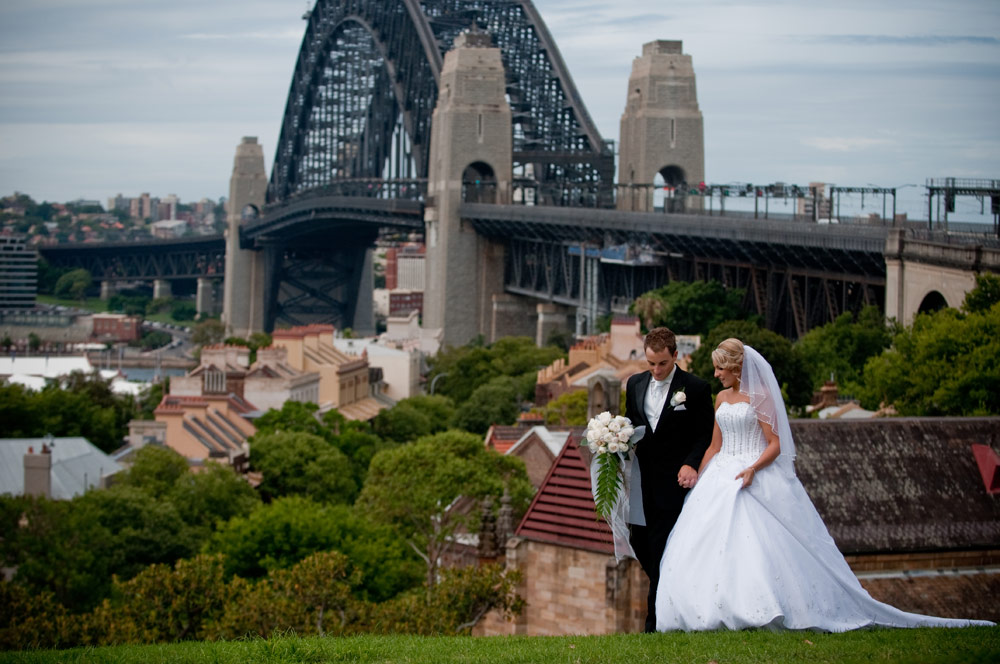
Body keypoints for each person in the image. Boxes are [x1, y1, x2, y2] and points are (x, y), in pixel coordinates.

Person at [655, 338, 994, 631]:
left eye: (720, 369)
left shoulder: (760, 397)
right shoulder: (721, 399)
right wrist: (698, 475)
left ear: (735, 367)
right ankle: (709, 609)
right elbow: (716, 445)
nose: (715, 375)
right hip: (722, 472)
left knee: (759, 546)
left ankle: (765, 608)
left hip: (752, 471)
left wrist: (753, 469)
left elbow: (775, 444)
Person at [624, 326, 714, 632]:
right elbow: (631, 426)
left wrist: (692, 464)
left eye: (662, 363)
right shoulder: (635, 384)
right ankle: (674, 601)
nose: (656, 370)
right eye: (651, 363)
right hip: (640, 483)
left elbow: (706, 435)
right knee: (641, 547)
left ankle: (655, 625)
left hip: (675, 484)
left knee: (662, 549)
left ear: (675, 356)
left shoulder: (696, 388)